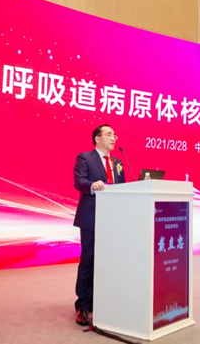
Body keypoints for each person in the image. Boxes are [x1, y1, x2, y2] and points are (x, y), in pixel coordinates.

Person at [73, 124, 126, 326]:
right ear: (97, 138)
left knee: (109, 260)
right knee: (89, 259)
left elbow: (122, 188)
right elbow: (78, 181)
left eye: (115, 135)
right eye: (109, 134)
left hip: (113, 220)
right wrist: (91, 185)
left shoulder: (118, 162)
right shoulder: (85, 158)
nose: (113, 138)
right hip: (91, 217)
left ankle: (103, 300)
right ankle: (83, 305)